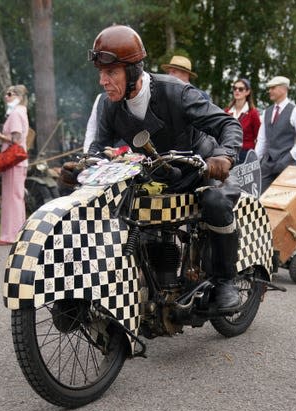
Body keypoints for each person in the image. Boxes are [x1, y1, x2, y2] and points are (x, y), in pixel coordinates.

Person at [84, 25, 242, 310]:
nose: (103, 81)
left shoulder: (176, 92)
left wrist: (226, 158)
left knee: (215, 202)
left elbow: (228, 124)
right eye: (100, 73)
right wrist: (85, 168)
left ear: (132, 71)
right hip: (158, 174)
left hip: (199, 168)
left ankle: (225, 281)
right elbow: (98, 149)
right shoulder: (110, 105)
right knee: (117, 208)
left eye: (111, 73)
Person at [255, 76, 296, 191]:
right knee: (260, 200)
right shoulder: (267, 112)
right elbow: (262, 141)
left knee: (281, 202)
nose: (269, 91)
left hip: (287, 166)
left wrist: (288, 158)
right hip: (266, 166)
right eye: (269, 88)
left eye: (273, 88)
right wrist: (254, 162)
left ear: (284, 89)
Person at [0, 85, 29, 245]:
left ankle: (11, 235)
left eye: (9, 94)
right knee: (16, 197)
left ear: (18, 96)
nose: (6, 97)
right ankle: (19, 232)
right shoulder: (21, 112)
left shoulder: (15, 113)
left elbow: (16, 138)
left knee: (11, 198)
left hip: (13, 160)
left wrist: (0, 136)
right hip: (19, 161)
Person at [225, 78, 260, 163]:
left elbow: (258, 136)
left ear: (247, 92)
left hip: (246, 154)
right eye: (235, 88)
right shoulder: (226, 112)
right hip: (227, 153)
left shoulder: (253, 113)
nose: (237, 91)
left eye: (240, 89)